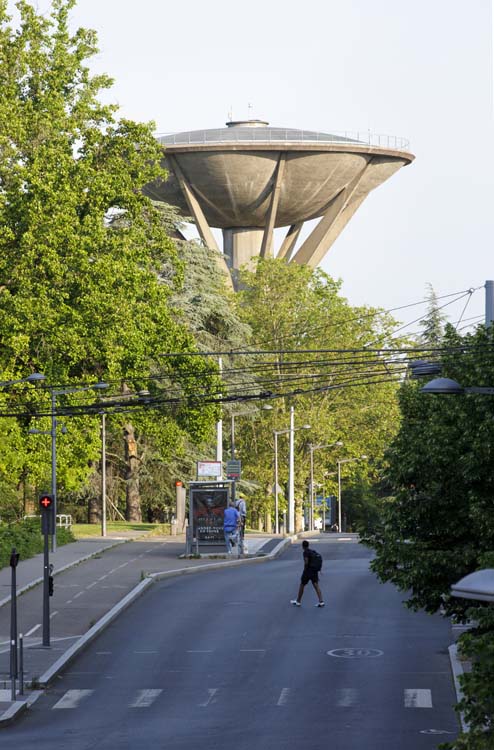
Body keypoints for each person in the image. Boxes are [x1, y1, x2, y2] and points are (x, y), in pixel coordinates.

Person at [291, 540, 324, 607]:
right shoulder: (312, 551)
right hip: (314, 571)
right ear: (308, 545)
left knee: (302, 585)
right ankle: (321, 601)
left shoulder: (305, 552)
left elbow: (306, 562)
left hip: (308, 571)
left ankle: (298, 601)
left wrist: (305, 570)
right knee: (316, 585)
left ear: (303, 546)